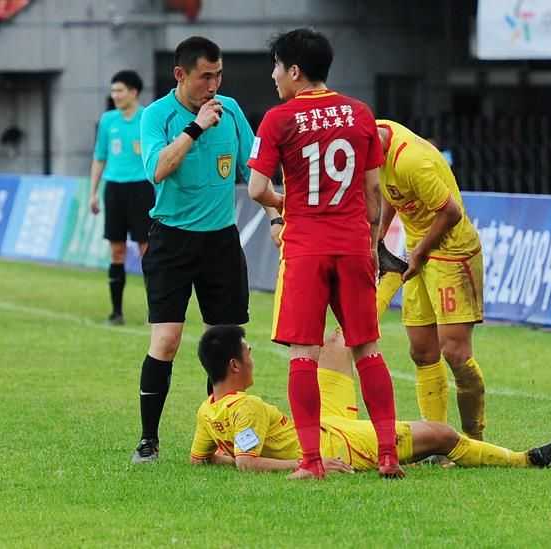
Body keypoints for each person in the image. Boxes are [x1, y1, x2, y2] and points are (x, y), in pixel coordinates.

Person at [248, 28, 402, 479]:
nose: (273, 75)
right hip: (353, 244)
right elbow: (373, 191)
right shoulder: (360, 113)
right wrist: (371, 242)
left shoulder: (278, 119)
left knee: (304, 354)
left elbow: (256, 188)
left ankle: (312, 461)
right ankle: (388, 455)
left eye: (277, 66)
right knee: (367, 349)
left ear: (294, 70)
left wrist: (284, 202)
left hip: (306, 249)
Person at [190, 325, 551, 473]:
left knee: (337, 341)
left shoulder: (208, 410)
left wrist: (231, 456)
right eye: (249, 352)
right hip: (340, 445)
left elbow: (202, 458)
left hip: (324, 423)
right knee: (442, 434)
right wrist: (308, 463)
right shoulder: (247, 408)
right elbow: (247, 463)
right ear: (235, 365)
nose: (253, 356)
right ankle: (525, 460)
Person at [131, 36, 255, 464]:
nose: (214, 85)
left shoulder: (231, 111)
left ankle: (218, 440)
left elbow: (254, 169)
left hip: (221, 240)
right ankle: (148, 439)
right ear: (180, 75)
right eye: (205, 76)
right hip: (172, 239)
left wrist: (277, 215)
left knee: (224, 342)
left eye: (218, 75)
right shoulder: (157, 116)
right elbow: (158, 169)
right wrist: (196, 127)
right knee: (167, 340)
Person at [375, 119, 486, 441]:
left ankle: (474, 440)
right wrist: (379, 236)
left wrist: (420, 252)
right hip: (418, 250)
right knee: (422, 351)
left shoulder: (412, 159)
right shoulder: (376, 140)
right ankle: (438, 442)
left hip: (452, 251)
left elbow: (451, 212)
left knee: (455, 353)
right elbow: (392, 190)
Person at [89, 70, 154, 325]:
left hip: (142, 189)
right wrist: (93, 193)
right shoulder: (108, 120)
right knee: (116, 251)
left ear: (133, 92)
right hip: (114, 189)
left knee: (147, 250)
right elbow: (99, 157)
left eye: (120, 90)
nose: (115, 95)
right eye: (113, 91)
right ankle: (116, 312)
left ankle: (156, 311)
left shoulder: (147, 117)